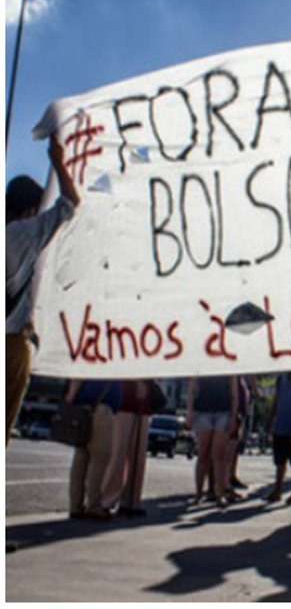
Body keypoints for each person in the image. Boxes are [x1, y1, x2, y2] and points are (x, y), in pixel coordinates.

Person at [7, 139, 80, 447]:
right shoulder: (23, 234)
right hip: (11, 344)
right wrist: (57, 161)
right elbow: (69, 203)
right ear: (31, 209)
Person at [65, 380, 122, 521]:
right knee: (100, 458)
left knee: (81, 458)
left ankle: (75, 506)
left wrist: (71, 396)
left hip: (84, 407)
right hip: (102, 407)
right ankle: (93, 506)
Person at [186, 375, 240, 507]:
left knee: (218, 456)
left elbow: (234, 393)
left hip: (223, 411)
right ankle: (198, 494)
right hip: (203, 410)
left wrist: (233, 416)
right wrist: (189, 411)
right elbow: (192, 388)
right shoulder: (202, 362)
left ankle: (219, 495)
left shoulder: (229, 364)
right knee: (203, 454)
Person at [100, 380, 153, 517]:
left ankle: (131, 502)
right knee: (118, 454)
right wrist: (137, 381)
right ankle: (106, 500)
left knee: (138, 457)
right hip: (124, 399)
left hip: (143, 402)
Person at [266, 371, 291, 504]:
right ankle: (277, 491)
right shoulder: (281, 378)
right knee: (279, 461)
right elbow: (277, 399)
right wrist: (271, 420)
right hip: (280, 425)